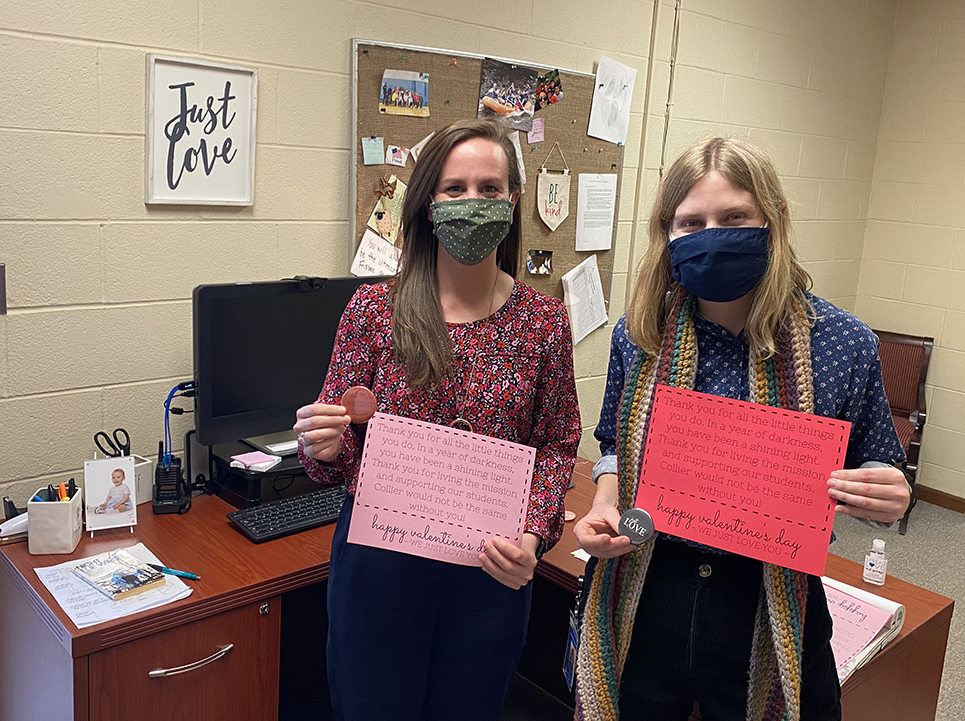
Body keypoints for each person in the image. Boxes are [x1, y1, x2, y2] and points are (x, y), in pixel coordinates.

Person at [573, 137, 911, 721]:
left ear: (772, 219)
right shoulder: (641, 333)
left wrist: (888, 490)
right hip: (651, 586)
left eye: (734, 218)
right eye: (691, 222)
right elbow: (614, 447)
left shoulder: (843, 342)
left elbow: (879, 462)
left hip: (771, 594)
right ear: (668, 234)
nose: (712, 235)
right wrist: (606, 500)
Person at [294, 118, 581, 721]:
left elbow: (556, 444)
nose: (471, 203)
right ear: (427, 203)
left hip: (488, 574)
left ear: (513, 202)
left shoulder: (544, 321)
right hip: (382, 569)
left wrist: (534, 534)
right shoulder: (376, 308)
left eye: (488, 188)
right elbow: (340, 446)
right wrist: (322, 445)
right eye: (454, 190)